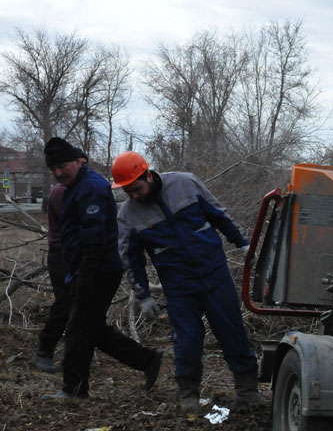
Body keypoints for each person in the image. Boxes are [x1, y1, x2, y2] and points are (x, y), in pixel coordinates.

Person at [111, 151, 267, 411]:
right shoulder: (128, 216)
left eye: (136, 188)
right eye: (128, 192)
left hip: (215, 274)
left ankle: (248, 392)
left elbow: (218, 215)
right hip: (179, 286)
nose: (134, 196)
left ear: (148, 175)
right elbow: (131, 258)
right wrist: (144, 296)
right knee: (187, 340)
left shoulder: (185, 183)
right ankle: (189, 397)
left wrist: (242, 244)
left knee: (232, 332)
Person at [42, 138, 162, 399]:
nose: (58, 172)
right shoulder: (75, 185)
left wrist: (85, 275)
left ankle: (74, 390)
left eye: (62, 165)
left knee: (77, 328)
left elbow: (94, 237)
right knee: (90, 327)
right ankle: (147, 360)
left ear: (77, 161)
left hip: (98, 270)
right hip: (86, 268)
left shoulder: (92, 188)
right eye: (53, 169)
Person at [34, 149, 87, 373]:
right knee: (64, 304)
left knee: (80, 304)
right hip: (61, 256)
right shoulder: (62, 193)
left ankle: (77, 352)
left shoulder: (77, 189)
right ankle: (44, 351)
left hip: (73, 254)